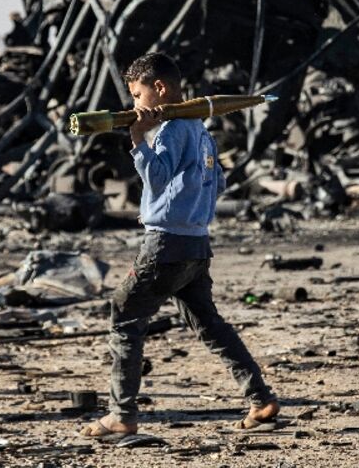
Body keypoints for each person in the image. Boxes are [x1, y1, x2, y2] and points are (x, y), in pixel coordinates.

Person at [80, 52, 279, 439]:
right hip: (196, 246)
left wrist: (138, 139)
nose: (135, 105)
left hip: (166, 247)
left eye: (138, 95)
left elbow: (156, 178)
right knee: (209, 324)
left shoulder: (171, 129)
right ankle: (260, 398)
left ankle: (121, 414)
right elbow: (215, 183)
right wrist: (174, 208)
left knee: (124, 317)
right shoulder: (201, 130)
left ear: (160, 89)